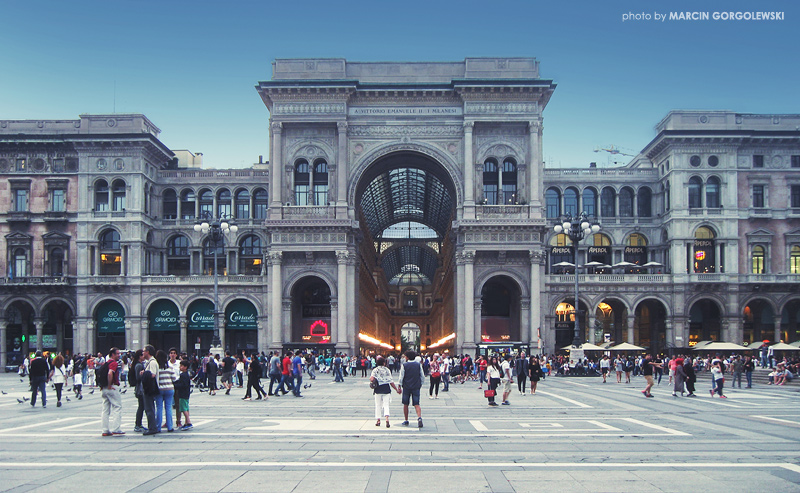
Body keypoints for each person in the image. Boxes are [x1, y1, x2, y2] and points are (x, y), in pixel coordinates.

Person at [100, 348, 124, 436]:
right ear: (112, 354)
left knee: (105, 409)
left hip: (104, 388)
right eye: (117, 354)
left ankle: (105, 430)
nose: (119, 355)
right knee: (117, 407)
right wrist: (110, 385)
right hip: (112, 387)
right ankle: (116, 428)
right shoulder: (113, 363)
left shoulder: (106, 363)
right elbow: (110, 373)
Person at [370, 356, 399, 428]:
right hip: (386, 388)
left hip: (378, 389)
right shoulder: (387, 370)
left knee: (378, 405)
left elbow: (371, 378)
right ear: (384, 363)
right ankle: (387, 419)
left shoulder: (375, 370)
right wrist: (396, 389)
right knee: (386, 405)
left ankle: (378, 420)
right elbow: (391, 381)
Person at [397, 350, 424, 428]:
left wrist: (399, 385)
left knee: (406, 404)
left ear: (407, 357)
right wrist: (420, 384)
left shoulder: (404, 365)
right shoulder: (418, 365)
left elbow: (401, 376)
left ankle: (406, 419)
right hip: (416, 386)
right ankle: (419, 418)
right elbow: (422, 376)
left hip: (406, 386)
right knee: (417, 403)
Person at [155, 350, 177, 433]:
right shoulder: (170, 367)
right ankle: (170, 426)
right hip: (169, 389)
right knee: (168, 408)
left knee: (159, 408)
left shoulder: (156, 368)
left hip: (159, 389)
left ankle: (158, 427)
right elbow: (174, 379)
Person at [141, 345, 160, 435]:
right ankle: (152, 426)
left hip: (149, 388)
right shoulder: (149, 362)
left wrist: (144, 373)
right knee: (149, 408)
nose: (143, 353)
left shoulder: (152, 362)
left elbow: (152, 374)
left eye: (144, 351)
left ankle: (152, 427)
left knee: (149, 408)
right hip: (148, 387)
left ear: (148, 352)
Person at [174, 360, 193, 430]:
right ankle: (186, 423)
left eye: (181, 366)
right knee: (186, 407)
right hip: (186, 393)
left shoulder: (182, 375)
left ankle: (189, 421)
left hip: (182, 393)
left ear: (185, 367)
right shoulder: (187, 374)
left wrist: (175, 385)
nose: (180, 367)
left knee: (183, 408)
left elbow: (182, 384)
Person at [130, 350, 146, 432]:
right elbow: (138, 378)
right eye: (143, 355)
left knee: (142, 407)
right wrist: (144, 374)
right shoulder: (139, 365)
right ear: (140, 356)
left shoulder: (139, 364)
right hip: (140, 389)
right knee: (141, 407)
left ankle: (139, 424)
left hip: (140, 388)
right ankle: (137, 424)